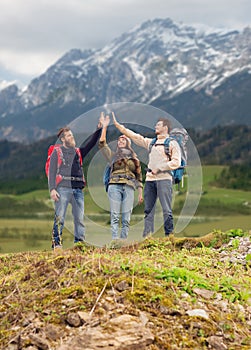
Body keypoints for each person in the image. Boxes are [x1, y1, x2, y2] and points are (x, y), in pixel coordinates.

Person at [112, 112, 181, 237]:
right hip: (150, 180)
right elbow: (135, 137)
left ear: (165, 127)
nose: (155, 126)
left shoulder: (172, 144)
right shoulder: (151, 143)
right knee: (148, 210)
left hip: (164, 179)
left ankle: (169, 236)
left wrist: (160, 168)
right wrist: (119, 127)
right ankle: (147, 236)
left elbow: (176, 162)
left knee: (166, 209)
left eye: (158, 125)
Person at [48, 121, 102, 249]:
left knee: (79, 218)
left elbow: (91, 143)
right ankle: (57, 244)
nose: (72, 137)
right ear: (63, 139)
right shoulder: (58, 152)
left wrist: (98, 129)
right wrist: (52, 189)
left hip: (78, 189)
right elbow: (51, 171)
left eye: (72, 135)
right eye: (69, 136)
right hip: (63, 188)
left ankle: (79, 244)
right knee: (59, 217)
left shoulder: (78, 152)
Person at [99, 114, 143, 240]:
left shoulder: (135, 160)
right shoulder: (112, 156)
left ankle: (123, 242)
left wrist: (140, 193)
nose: (120, 140)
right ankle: (115, 241)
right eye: (119, 140)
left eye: (123, 139)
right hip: (114, 185)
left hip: (129, 187)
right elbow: (102, 144)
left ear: (128, 143)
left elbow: (139, 178)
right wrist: (104, 127)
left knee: (126, 217)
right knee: (115, 215)